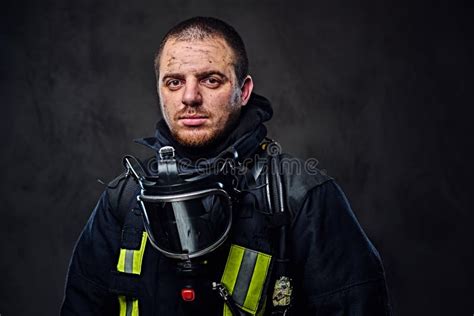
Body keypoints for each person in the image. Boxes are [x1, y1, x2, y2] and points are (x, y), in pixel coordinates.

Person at [61, 17, 392, 315]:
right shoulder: (127, 196)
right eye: (174, 82)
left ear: (244, 91)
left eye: (210, 80)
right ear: (160, 90)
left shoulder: (299, 196)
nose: (190, 97)